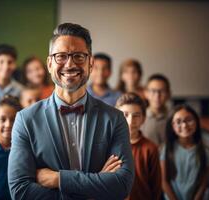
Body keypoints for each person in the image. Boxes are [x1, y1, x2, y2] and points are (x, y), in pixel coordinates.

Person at [7, 23, 134, 199]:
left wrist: (59, 179)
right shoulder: (25, 120)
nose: (70, 64)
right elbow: (20, 192)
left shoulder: (115, 118)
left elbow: (122, 185)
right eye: (61, 56)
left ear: (90, 63)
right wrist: (94, 189)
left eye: (79, 56)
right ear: (50, 63)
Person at [160, 105, 209, 200]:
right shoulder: (167, 149)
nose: (184, 125)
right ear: (172, 126)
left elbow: (203, 184)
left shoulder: (206, 152)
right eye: (178, 122)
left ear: (196, 122)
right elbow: (164, 181)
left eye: (189, 120)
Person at [115, 93, 162, 200]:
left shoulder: (150, 148)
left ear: (144, 118)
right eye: (125, 115)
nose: (131, 121)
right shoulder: (108, 146)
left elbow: (156, 187)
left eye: (136, 115)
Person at [141, 74, 172, 146]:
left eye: (162, 91)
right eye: (153, 91)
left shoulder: (174, 118)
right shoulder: (138, 118)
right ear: (146, 93)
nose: (157, 95)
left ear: (168, 94)